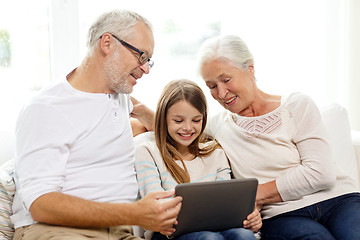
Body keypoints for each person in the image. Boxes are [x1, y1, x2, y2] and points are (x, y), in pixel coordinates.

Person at [11, 10, 182, 240]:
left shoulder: (119, 97)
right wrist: (135, 213)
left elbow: (161, 130)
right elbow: (41, 205)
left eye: (148, 60)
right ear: (107, 43)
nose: (146, 68)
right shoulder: (47, 108)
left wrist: (143, 111)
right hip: (56, 230)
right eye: (141, 56)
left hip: (119, 232)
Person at [196, 35, 360, 240]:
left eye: (226, 79)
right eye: (211, 86)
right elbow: (172, 122)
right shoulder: (217, 124)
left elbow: (321, 173)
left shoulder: (296, 105)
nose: (221, 93)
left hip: (339, 200)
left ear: (250, 69)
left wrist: (254, 195)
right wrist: (142, 113)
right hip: (282, 215)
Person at [134, 79, 262, 240]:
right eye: (178, 121)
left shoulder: (216, 154)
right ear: (163, 118)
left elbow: (226, 203)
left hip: (216, 227)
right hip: (168, 233)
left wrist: (251, 217)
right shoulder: (147, 152)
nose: (188, 128)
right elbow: (155, 203)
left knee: (243, 235)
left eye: (196, 120)